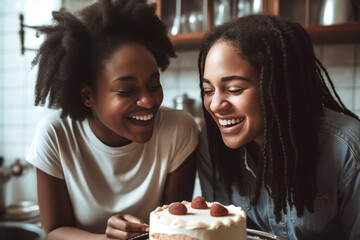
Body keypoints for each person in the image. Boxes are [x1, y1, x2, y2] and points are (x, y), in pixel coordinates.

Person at [26, 0, 199, 239]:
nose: (148, 101)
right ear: (88, 96)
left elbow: (174, 228)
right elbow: (54, 231)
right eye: (126, 91)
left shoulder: (178, 129)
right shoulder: (56, 134)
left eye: (154, 85)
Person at [196, 14, 360, 240]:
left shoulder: (348, 148)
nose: (214, 105)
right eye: (208, 91)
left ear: (279, 87)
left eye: (233, 89)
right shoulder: (211, 144)